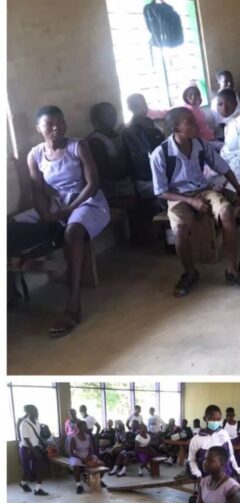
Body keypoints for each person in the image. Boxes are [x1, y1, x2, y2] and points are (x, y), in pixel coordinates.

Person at [150, 107, 240, 297]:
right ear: (175, 128)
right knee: (180, 229)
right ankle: (189, 272)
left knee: (226, 212)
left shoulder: (199, 144)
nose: (196, 124)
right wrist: (190, 201)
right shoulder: (161, 154)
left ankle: (232, 270)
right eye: (189, 122)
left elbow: (222, 166)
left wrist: (237, 187)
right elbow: (161, 192)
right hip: (178, 196)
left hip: (203, 190)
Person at [25, 105, 110, 336]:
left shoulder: (78, 146)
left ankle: (73, 305)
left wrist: (68, 211)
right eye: (49, 124)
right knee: (19, 225)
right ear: (38, 129)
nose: (56, 127)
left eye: (60, 122)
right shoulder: (34, 155)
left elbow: (93, 184)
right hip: (57, 205)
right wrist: (45, 215)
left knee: (73, 233)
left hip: (88, 203)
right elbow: (37, 191)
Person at [87, 101, 134, 200]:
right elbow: (105, 171)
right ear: (97, 118)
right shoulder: (96, 140)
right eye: (106, 115)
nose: (111, 117)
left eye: (113, 114)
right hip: (114, 190)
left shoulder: (117, 134)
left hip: (127, 183)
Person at [123, 93, 166, 200]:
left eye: (143, 103)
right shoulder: (130, 130)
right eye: (137, 105)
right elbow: (148, 152)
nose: (143, 107)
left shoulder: (150, 123)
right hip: (147, 178)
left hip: (158, 173)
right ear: (130, 108)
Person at [188, 405, 240, 482]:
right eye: (212, 419)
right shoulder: (196, 439)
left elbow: (231, 455)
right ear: (205, 418)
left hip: (225, 477)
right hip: (206, 479)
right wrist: (198, 474)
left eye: (218, 419)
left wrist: (237, 472)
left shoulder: (224, 434)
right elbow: (191, 460)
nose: (215, 422)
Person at [18, 405, 49, 496]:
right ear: (29, 412)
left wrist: (42, 444)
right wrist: (34, 451)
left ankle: (37, 489)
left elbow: (36, 436)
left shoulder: (36, 422)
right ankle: (23, 483)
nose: (37, 413)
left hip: (35, 447)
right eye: (35, 411)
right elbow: (26, 439)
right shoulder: (24, 423)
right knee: (27, 470)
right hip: (26, 449)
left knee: (40, 468)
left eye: (37, 411)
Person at [68, 420, 105, 493]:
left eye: (85, 426)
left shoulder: (88, 437)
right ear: (78, 427)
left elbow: (91, 449)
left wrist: (89, 456)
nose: (85, 428)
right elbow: (71, 452)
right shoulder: (73, 438)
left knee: (102, 465)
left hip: (88, 455)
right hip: (77, 457)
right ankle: (79, 485)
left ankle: (99, 480)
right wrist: (81, 458)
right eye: (83, 427)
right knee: (76, 467)